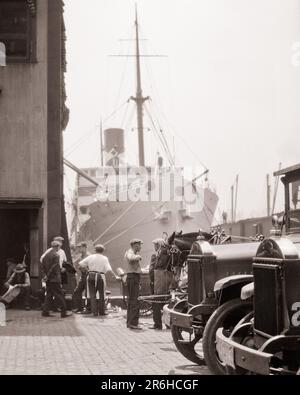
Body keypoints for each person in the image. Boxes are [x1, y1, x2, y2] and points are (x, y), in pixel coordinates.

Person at [79, 244, 119, 317]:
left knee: (92, 295)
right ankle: (101, 311)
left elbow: (81, 264)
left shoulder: (90, 257)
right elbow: (109, 269)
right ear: (103, 251)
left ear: (95, 250)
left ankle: (94, 312)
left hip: (91, 275)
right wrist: (115, 276)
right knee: (101, 294)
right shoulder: (104, 258)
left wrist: (87, 270)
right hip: (100, 276)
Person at [41, 241, 70, 318]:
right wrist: (48, 275)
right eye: (58, 246)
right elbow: (54, 267)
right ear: (56, 246)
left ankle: (45, 311)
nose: (58, 248)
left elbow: (43, 268)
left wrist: (45, 276)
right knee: (59, 295)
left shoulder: (45, 256)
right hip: (55, 278)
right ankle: (63, 312)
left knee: (49, 295)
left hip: (48, 280)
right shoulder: (56, 255)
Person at [151, 238, 173, 330]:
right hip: (162, 279)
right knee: (165, 301)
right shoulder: (165, 252)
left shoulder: (162, 253)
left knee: (156, 302)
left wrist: (154, 260)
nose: (155, 247)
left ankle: (158, 324)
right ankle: (166, 324)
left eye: (156, 245)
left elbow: (158, 266)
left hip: (160, 279)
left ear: (160, 245)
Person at [124, 239, 143, 330]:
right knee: (134, 301)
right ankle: (133, 323)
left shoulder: (131, 252)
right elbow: (130, 257)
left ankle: (130, 322)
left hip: (134, 277)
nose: (140, 247)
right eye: (139, 245)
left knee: (132, 301)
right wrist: (138, 257)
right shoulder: (130, 252)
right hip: (133, 277)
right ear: (135, 245)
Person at [72, 242, 90, 313]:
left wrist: (85, 268)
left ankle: (88, 309)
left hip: (88, 275)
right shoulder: (81, 256)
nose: (79, 249)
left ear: (85, 247)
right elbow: (76, 263)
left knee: (87, 293)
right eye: (78, 247)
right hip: (83, 276)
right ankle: (80, 308)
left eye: (80, 247)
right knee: (77, 291)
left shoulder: (89, 256)